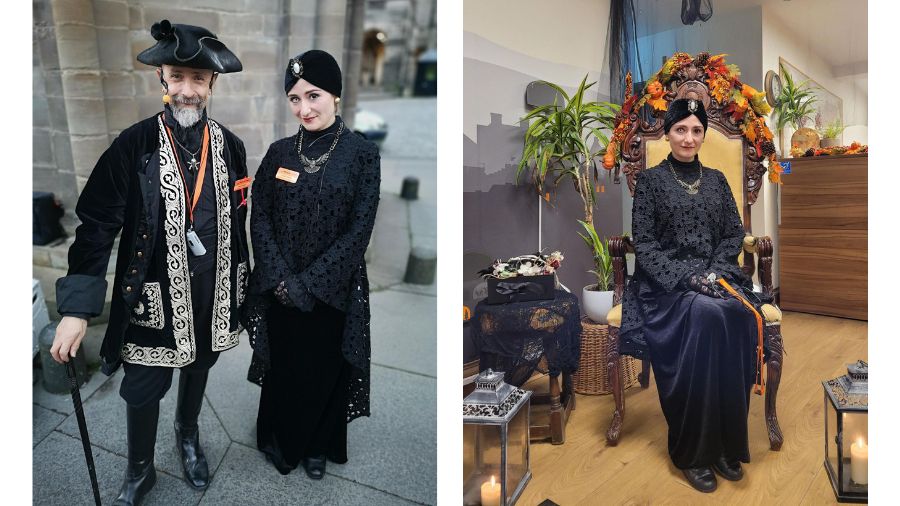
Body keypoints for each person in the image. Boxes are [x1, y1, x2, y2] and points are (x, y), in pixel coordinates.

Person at [50, 20, 248, 505]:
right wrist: (77, 310)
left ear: (212, 84)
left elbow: (237, 228)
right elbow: (96, 225)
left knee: (199, 366)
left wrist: (248, 294)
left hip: (213, 293)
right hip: (152, 299)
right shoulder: (132, 145)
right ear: (162, 78)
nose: (187, 89)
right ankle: (140, 472)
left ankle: (187, 435)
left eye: (198, 79)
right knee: (141, 389)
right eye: (178, 77)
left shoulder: (233, 147)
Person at [242, 49, 380, 480]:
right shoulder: (279, 152)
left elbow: (360, 230)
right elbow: (258, 214)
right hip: (280, 287)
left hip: (332, 291)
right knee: (285, 366)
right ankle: (279, 439)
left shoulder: (362, 154)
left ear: (335, 96)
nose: (304, 108)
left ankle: (318, 446)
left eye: (314, 95)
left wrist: (310, 284)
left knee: (323, 368)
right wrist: (281, 278)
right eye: (295, 99)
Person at [618, 98, 765, 493]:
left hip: (717, 279)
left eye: (696, 130)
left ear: (703, 134)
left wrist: (715, 270)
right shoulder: (650, 182)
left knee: (736, 317)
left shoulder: (717, 179)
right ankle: (692, 451)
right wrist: (688, 276)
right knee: (707, 317)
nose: (689, 137)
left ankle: (724, 445)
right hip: (666, 287)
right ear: (667, 133)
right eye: (680, 129)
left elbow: (734, 232)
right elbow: (645, 245)